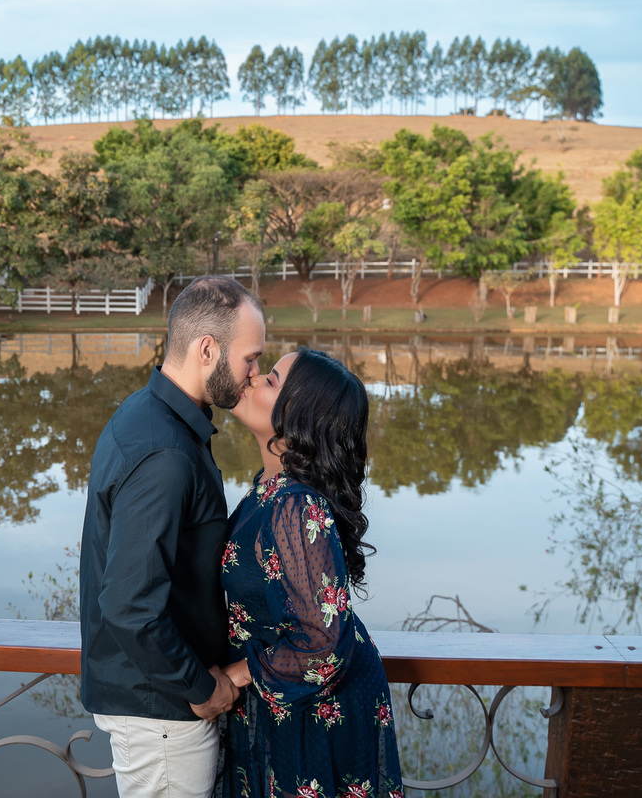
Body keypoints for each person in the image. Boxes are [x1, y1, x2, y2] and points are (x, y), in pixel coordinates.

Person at [80, 276, 267, 798]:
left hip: (159, 706)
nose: (253, 375)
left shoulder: (149, 416)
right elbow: (129, 605)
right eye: (251, 358)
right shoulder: (165, 453)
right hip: (163, 716)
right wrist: (202, 688)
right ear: (208, 349)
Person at [215, 347, 403, 798]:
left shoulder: (296, 505)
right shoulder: (268, 488)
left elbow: (322, 643)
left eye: (273, 380)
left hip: (316, 711)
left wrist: (238, 673)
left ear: (300, 417)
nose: (255, 378)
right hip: (291, 704)